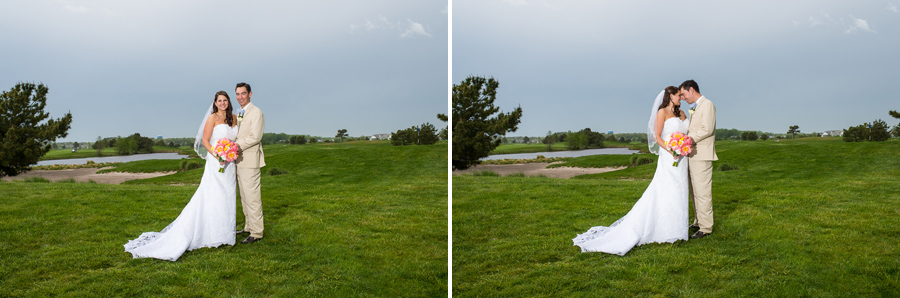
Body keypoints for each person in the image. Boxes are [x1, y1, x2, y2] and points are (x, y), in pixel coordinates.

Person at [572, 86, 690, 255]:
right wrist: (671, 150)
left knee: (680, 190)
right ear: (671, 96)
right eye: (679, 95)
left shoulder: (682, 114)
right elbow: (657, 137)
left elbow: (686, 133)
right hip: (668, 156)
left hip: (682, 158)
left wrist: (683, 146)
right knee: (666, 190)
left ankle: (678, 229)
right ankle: (663, 229)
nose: (681, 98)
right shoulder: (662, 112)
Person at [124, 91, 239, 261]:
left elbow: (235, 139)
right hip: (216, 163)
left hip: (230, 165)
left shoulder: (235, 118)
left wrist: (231, 152)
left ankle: (226, 234)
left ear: (229, 102)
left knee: (228, 197)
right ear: (215, 103)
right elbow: (206, 141)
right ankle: (211, 234)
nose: (222, 103)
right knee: (213, 196)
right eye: (219, 101)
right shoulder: (212, 118)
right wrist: (218, 156)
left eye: (225, 100)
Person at [679, 79, 717, 239]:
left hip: (702, 155)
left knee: (702, 192)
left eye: (683, 94)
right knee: (694, 191)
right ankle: (697, 221)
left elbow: (707, 129)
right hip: (692, 155)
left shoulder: (707, 104)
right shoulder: (695, 107)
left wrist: (687, 140)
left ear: (691, 89)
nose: (682, 97)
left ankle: (706, 227)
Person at [232, 82, 266, 244]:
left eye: (243, 94)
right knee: (244, 196)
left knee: (252, 197)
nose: (240, 97)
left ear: (250, 94)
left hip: (250, 160)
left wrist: (235, 146)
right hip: (238, 160)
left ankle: (257, 232)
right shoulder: (240, 112)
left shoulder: (256, 112)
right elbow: (238, 132)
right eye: (238, 94)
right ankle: (248, 226)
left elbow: (255, 137)